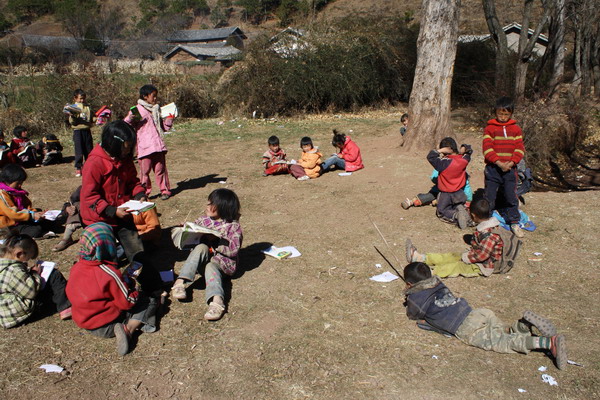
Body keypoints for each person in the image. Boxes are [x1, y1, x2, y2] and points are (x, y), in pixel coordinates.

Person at [403, 262, 567, 370]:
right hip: (474, 313)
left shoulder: (416, 298)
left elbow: (413, 315)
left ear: (409, 284)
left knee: (500, 342)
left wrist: (409, 296)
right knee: (501, 330)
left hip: (464, 327)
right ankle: (522, 325)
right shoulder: (438, 282)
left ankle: (547, 343)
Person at [80, 120, 161, 292]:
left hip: (122, 214)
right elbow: (89, 196)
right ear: (114, 143)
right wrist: (112, 211)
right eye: (126, 147)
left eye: (130, 147)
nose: (128, 151)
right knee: (107, 258)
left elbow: (132, 181)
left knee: (137, 251)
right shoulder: (94, 163)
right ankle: (113, 290)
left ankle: (151, 287)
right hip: (100, 218)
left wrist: (139, 194)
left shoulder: (125, 160)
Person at [66, 223, 157, 355]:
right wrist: (133, 286)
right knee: (149, 301)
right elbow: (127, 302)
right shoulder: (107, 272)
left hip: (85, 322)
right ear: (107, 245)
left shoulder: (76, 267)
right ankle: (128, 330)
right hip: (108, 325)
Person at [171, 188, 243, 322]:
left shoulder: (233, 227)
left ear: (223, 207)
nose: (208, 206)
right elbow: (194, 233)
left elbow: (233, 250)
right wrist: (187, 230)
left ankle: (217, 301)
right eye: (208, 202)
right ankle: (180, 282)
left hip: (222, 265)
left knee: (211, 266)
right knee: (200, 247)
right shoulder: (204, 220)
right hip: (202, 262)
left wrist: (217, 240)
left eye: (212, 204)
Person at [405, 198, 506, 278]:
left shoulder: (489, 236)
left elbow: (481, 256)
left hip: (484, 266)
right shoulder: (488, 227)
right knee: (452, 256)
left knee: (457, 266)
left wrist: (465, 258)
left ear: (473, 215)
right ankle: (421, 258)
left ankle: (430, 273)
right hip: (475, 256)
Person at [0, 232, 71, 328]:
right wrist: (35, 274)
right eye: (27, 259)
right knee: (54, 274)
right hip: (17, 313)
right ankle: (65, 307)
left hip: (5, 311)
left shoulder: (3, 265)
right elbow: (30, 292)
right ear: (19, 254)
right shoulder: (14, 270)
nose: (27, 262)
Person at [483, 96, 526, 238]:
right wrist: (498, 162)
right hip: (493, 168)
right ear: (495, 112)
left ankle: (514, 222)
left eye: (506, 114)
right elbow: (487, 148)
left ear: (511, 114)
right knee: (489, 195)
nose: (502, 117)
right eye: (500, 114)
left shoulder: (516, 129)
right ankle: (486, 219)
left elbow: (519, 148)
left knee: (511, 195)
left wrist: (512, 162)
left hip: (510, 169)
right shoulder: (489, 129)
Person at [124, 84, 174, 201]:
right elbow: (126, 124)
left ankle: (165, 190)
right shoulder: (137, 110)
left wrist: (169, 119)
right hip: (145, 147)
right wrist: (131, 117)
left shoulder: (156, 109)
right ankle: (143, 193)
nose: (155, 98)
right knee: (144, 173)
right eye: (153, 96)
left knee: (161, 170)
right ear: (145, 96)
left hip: (158, 147)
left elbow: (163, 127)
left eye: (156, 96)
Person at [427, 137, 472, 229]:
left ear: (445, 151)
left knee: (442, 211)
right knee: (457, 204)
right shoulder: (463, 160)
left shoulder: (443, 163)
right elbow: (469, 151)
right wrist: (464, 148)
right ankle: (460, 208)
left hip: (446, 195)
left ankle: (455, 215)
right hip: (459, 193)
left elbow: (430, 156)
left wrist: (440, 150)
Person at [0, 164, 53, 238]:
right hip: (9, 223)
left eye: (21, 183)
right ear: (8, 181)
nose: (20, 186)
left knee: (41, 215)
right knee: (36, 230)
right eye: (18, 183)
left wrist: (35, 212)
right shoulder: (2, 194)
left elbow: (26, 206)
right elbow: (12, 213)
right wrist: (32, 215)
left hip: (20, 218)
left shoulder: (16, 192)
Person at [401, 169, 473, 210]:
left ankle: (411, 202)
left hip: (438, 190)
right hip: (452, 195)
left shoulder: (442, 164)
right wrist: (469, 200)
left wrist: (439, 181)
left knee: (429, 195)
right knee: (453, 200)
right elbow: (467, 188)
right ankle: (437, 202)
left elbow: (433, 177)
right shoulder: (462, 172)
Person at [67, 89, 94, 177]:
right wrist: (72, 116)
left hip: (87, 130)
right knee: (79, 150)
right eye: (80, 98)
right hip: (78, 131)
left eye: (83, 98)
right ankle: (78, 167)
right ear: (75, 98)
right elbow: (72, 122)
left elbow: (92, 117)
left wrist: (97, 119)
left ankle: (89, 166)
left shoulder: (87, 107)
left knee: (89, 149)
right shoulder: (73, 107)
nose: (82, 100)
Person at [52, 186, 82, 252]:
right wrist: (68, 207)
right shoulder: (86, 186)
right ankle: (67, 238)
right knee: (77, 205)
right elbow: (73, 200)